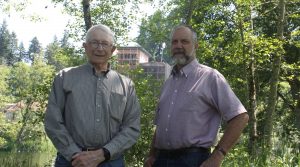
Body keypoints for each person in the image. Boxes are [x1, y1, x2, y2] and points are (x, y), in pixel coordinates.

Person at [144, 24, 249, 167]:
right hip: (161, 159)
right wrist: (152, 154)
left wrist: (218, 155)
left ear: (196, 45)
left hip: (193, 160)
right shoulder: (168, 82)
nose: (178, 45)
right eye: (174, 42)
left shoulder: (210, 77)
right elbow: (161, 125)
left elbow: (240, 117)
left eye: (184, 41)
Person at [44, 24, 141, 167]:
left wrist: (103, 154)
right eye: (94, 43)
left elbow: (132, 128)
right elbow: (53, 122)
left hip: (111, 161)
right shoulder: (64, 78)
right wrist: (75, 154)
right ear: (85, 46)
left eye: (104, 44)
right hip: (71, 161)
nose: (99, 48)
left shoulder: (126, 85)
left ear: (112, 50)